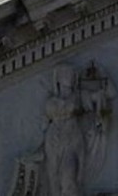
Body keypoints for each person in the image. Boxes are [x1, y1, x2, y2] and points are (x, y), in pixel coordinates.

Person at [44, 65, 86, 196]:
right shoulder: (51, 102)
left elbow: (76, 106)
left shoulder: (78, 98)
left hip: (72, 140)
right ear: (58, 81)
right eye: (65, 74)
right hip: (55, 140)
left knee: (69, 177)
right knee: (54, 178)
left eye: (71, 74)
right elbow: (59, 110)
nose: (69, 77)